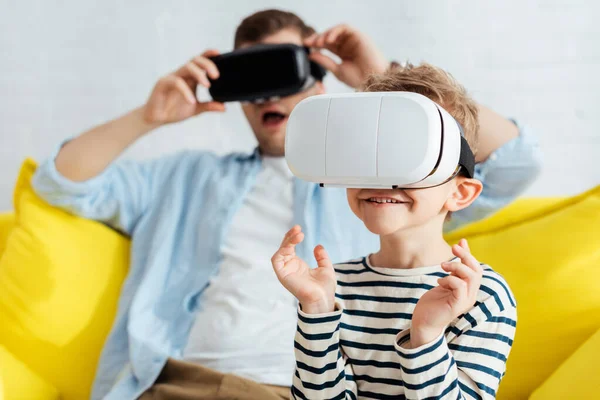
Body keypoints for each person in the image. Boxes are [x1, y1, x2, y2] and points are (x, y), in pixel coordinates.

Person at [31, 9, 538, 400]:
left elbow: (516, 163)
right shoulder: (188, 176)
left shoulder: (395, 181)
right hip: (176, 383)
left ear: (318, 77)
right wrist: (151, 115)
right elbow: (59, 183)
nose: (266, 93)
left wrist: (387, 82)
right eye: (248, 77)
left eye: (281, 69)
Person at [272, 64, 516, 399]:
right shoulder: (333, 286)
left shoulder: (480, 295)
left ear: (459, 193)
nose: (381, 178)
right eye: (368, 157)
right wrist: (316, 309)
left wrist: (426, 334)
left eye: (408, 155)